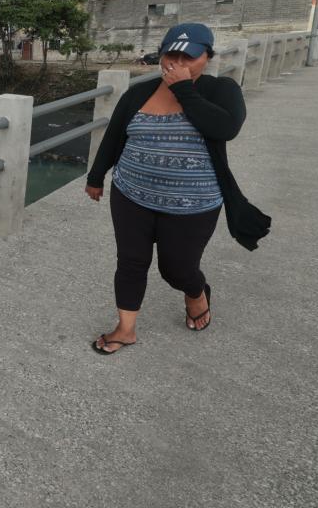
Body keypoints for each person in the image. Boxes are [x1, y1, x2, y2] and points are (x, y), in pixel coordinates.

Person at [84, 23, 271, 354]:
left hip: (193, 204)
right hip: (131, 195)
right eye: (172, 54)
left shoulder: (221, 90)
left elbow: (226, 128)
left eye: (190, 55)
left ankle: (196, 293)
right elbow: (115, 136)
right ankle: (125, 329)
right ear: (161, 56)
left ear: (207, 57)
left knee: (177, 269)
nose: (179, 62)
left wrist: (185, 89)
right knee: (130, 262)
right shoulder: (138, 93)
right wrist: (96, 177)